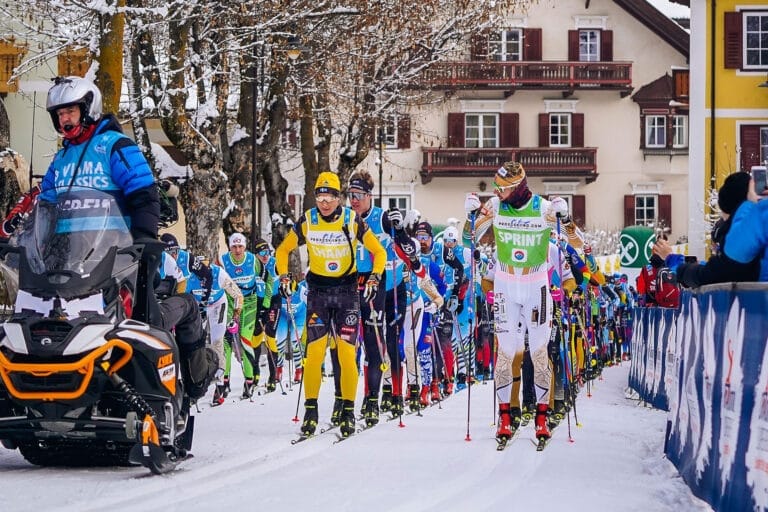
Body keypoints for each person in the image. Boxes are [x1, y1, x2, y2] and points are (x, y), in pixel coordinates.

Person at [40, 76, 215, 400]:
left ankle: (178, 387)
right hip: (65, 260)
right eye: (59, 114)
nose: (64, 119)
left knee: (139, 322)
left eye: (70, 112)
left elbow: (144, 194)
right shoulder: (61, 158)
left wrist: (144, 240)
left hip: (117, 257)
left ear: (87, 109)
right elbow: (45, 202)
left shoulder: (115, 146)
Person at [275, 171, 387, 438]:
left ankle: (348, 411)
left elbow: (379, 251)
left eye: (330, 197)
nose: (324, 203)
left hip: (347, 292)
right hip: (318, 293)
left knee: (347, 355)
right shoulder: (308, 221)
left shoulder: (351, 219)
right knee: (314, 355)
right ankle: (310, 411)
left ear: (339, 198)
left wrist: (373, 278)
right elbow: (282, 250)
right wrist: (284, 276)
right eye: (320, 197)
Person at [464, 160, 568, 444]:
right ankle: (505, 417)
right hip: (505, 285)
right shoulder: (495, 207)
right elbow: (466, 239)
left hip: (536, 286)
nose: (496, 192)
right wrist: (470, 215)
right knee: (505, 354)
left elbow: (576, 244)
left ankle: (542, 418)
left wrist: (565, 219)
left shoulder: (544, 209)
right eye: (495, 187)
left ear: (518, 187)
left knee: (538, 352)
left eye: (502, 188)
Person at [346, 171, 442, 423]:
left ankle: (397, 394)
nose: (353, 200)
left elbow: (410, 252)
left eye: (358, 195)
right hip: (367, 287)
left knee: (393, 344)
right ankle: (371, 400)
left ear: (369, 196)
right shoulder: (347, 220)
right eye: (350, 195)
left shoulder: (383, 218)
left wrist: (398, 230)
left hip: (393, 287)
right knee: (371, 346)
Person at [655, 171, 760, 286]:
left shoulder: (744, 237)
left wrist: (672, 260)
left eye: (723, 217)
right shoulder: (757, 228)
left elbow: (711, 276)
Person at [217, 232, 270, 399]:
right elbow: (217, 281)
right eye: (234, 246)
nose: (238, 250)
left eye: (240, 246)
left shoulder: (253, 261)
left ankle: (249, 380)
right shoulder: (224, 261)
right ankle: (224, 382)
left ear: (245, 247)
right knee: (225, 342)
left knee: (245, 340)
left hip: (249, 303)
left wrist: (265, 305)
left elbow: (268, 280)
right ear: (230, 247)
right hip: (231, 303)